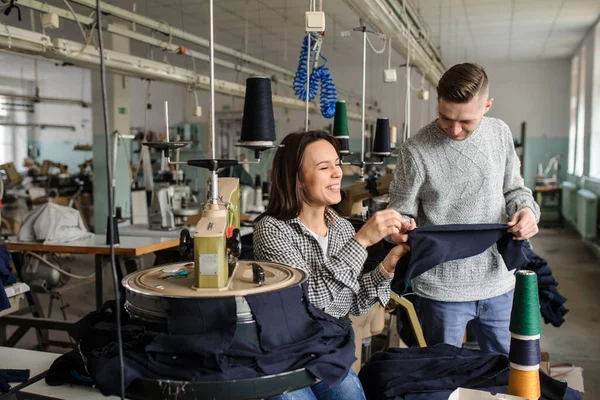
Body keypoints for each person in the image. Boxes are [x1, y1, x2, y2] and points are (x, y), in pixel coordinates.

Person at [388, 62, 540, 355]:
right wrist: (401, 226)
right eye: (445, 118)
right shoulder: (415, 149)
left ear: (487, 106)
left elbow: (515, 190)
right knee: (443, 376)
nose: (454, 130)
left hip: (498, 282)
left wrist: (527, 211)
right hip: (441, 290)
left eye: (466, 122)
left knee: (507, 372)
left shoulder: (500, 134)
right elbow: (400, 210)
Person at [253, 130, 413, 400]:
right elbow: (310, 304)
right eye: (325, 167)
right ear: (298, 179)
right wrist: (361, 242)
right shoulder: (272, 230)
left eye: (337, 163)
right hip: (283, 359)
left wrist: (387, 267)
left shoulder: (340, 227)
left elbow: (351, 304)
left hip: (326, 353)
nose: (338, 173)